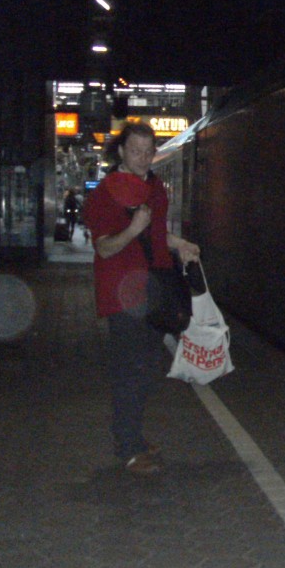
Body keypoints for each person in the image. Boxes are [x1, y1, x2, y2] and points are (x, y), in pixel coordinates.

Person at [83, 122, 201, 475]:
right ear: (120, 151)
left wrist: (180, 245)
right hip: (124, 294)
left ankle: (131, 434)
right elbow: (104, 248)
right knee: (130, 371)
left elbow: (157, 234)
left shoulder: (154, 187)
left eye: (149, 152)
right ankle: (129, 447)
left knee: (147, 368)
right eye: (136, 151)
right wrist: (132, 229)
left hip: (155, 290)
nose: (143, 158)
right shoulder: (105, 193)